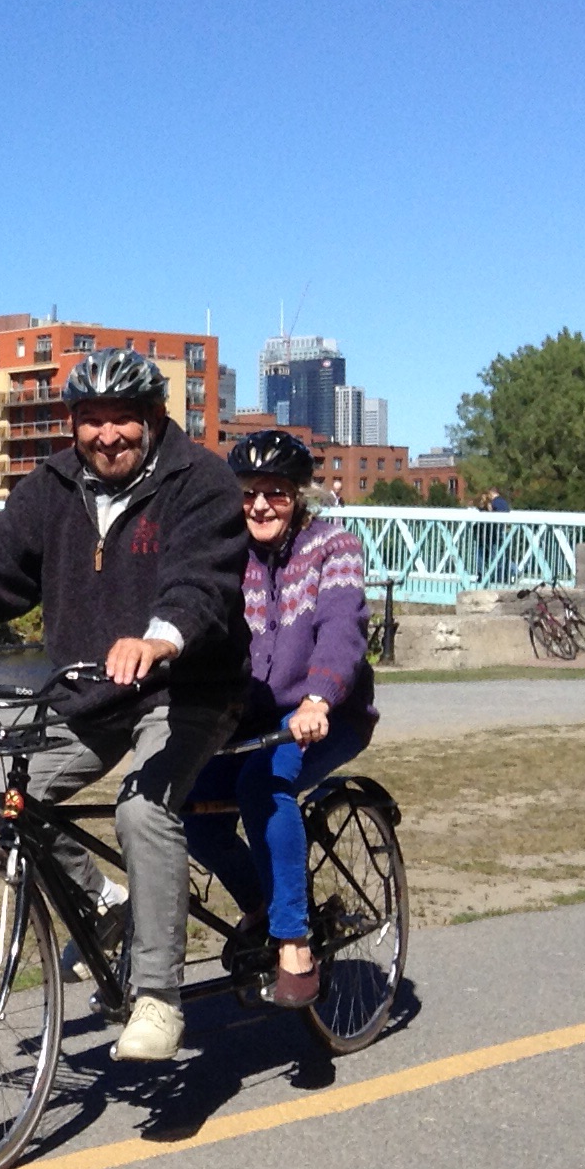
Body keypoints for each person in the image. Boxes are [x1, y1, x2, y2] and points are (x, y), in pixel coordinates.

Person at [0, 349, 247, 1063]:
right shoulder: (52, 486)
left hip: (187, 686)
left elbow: (202, 581)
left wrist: (160, 638)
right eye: (91, 420)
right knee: (5, 795)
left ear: (154, 417)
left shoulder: (199, 480)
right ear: (73, 423)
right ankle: (106, 907)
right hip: (90, 689)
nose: (107, 436)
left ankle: (157, 997)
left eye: (123, 419)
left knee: (142, 809)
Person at [181, 430, 374, 1008]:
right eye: (248, 493)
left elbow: (341, 627)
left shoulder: (334, 546)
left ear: (298, 497)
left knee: (262, 785)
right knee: (188, 804)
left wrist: (318, 698)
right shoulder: (226, 553)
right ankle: (262, 905)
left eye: (276, 493)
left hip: (327, 713)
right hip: (248, 718)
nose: (261, 505)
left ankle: (294, 941)